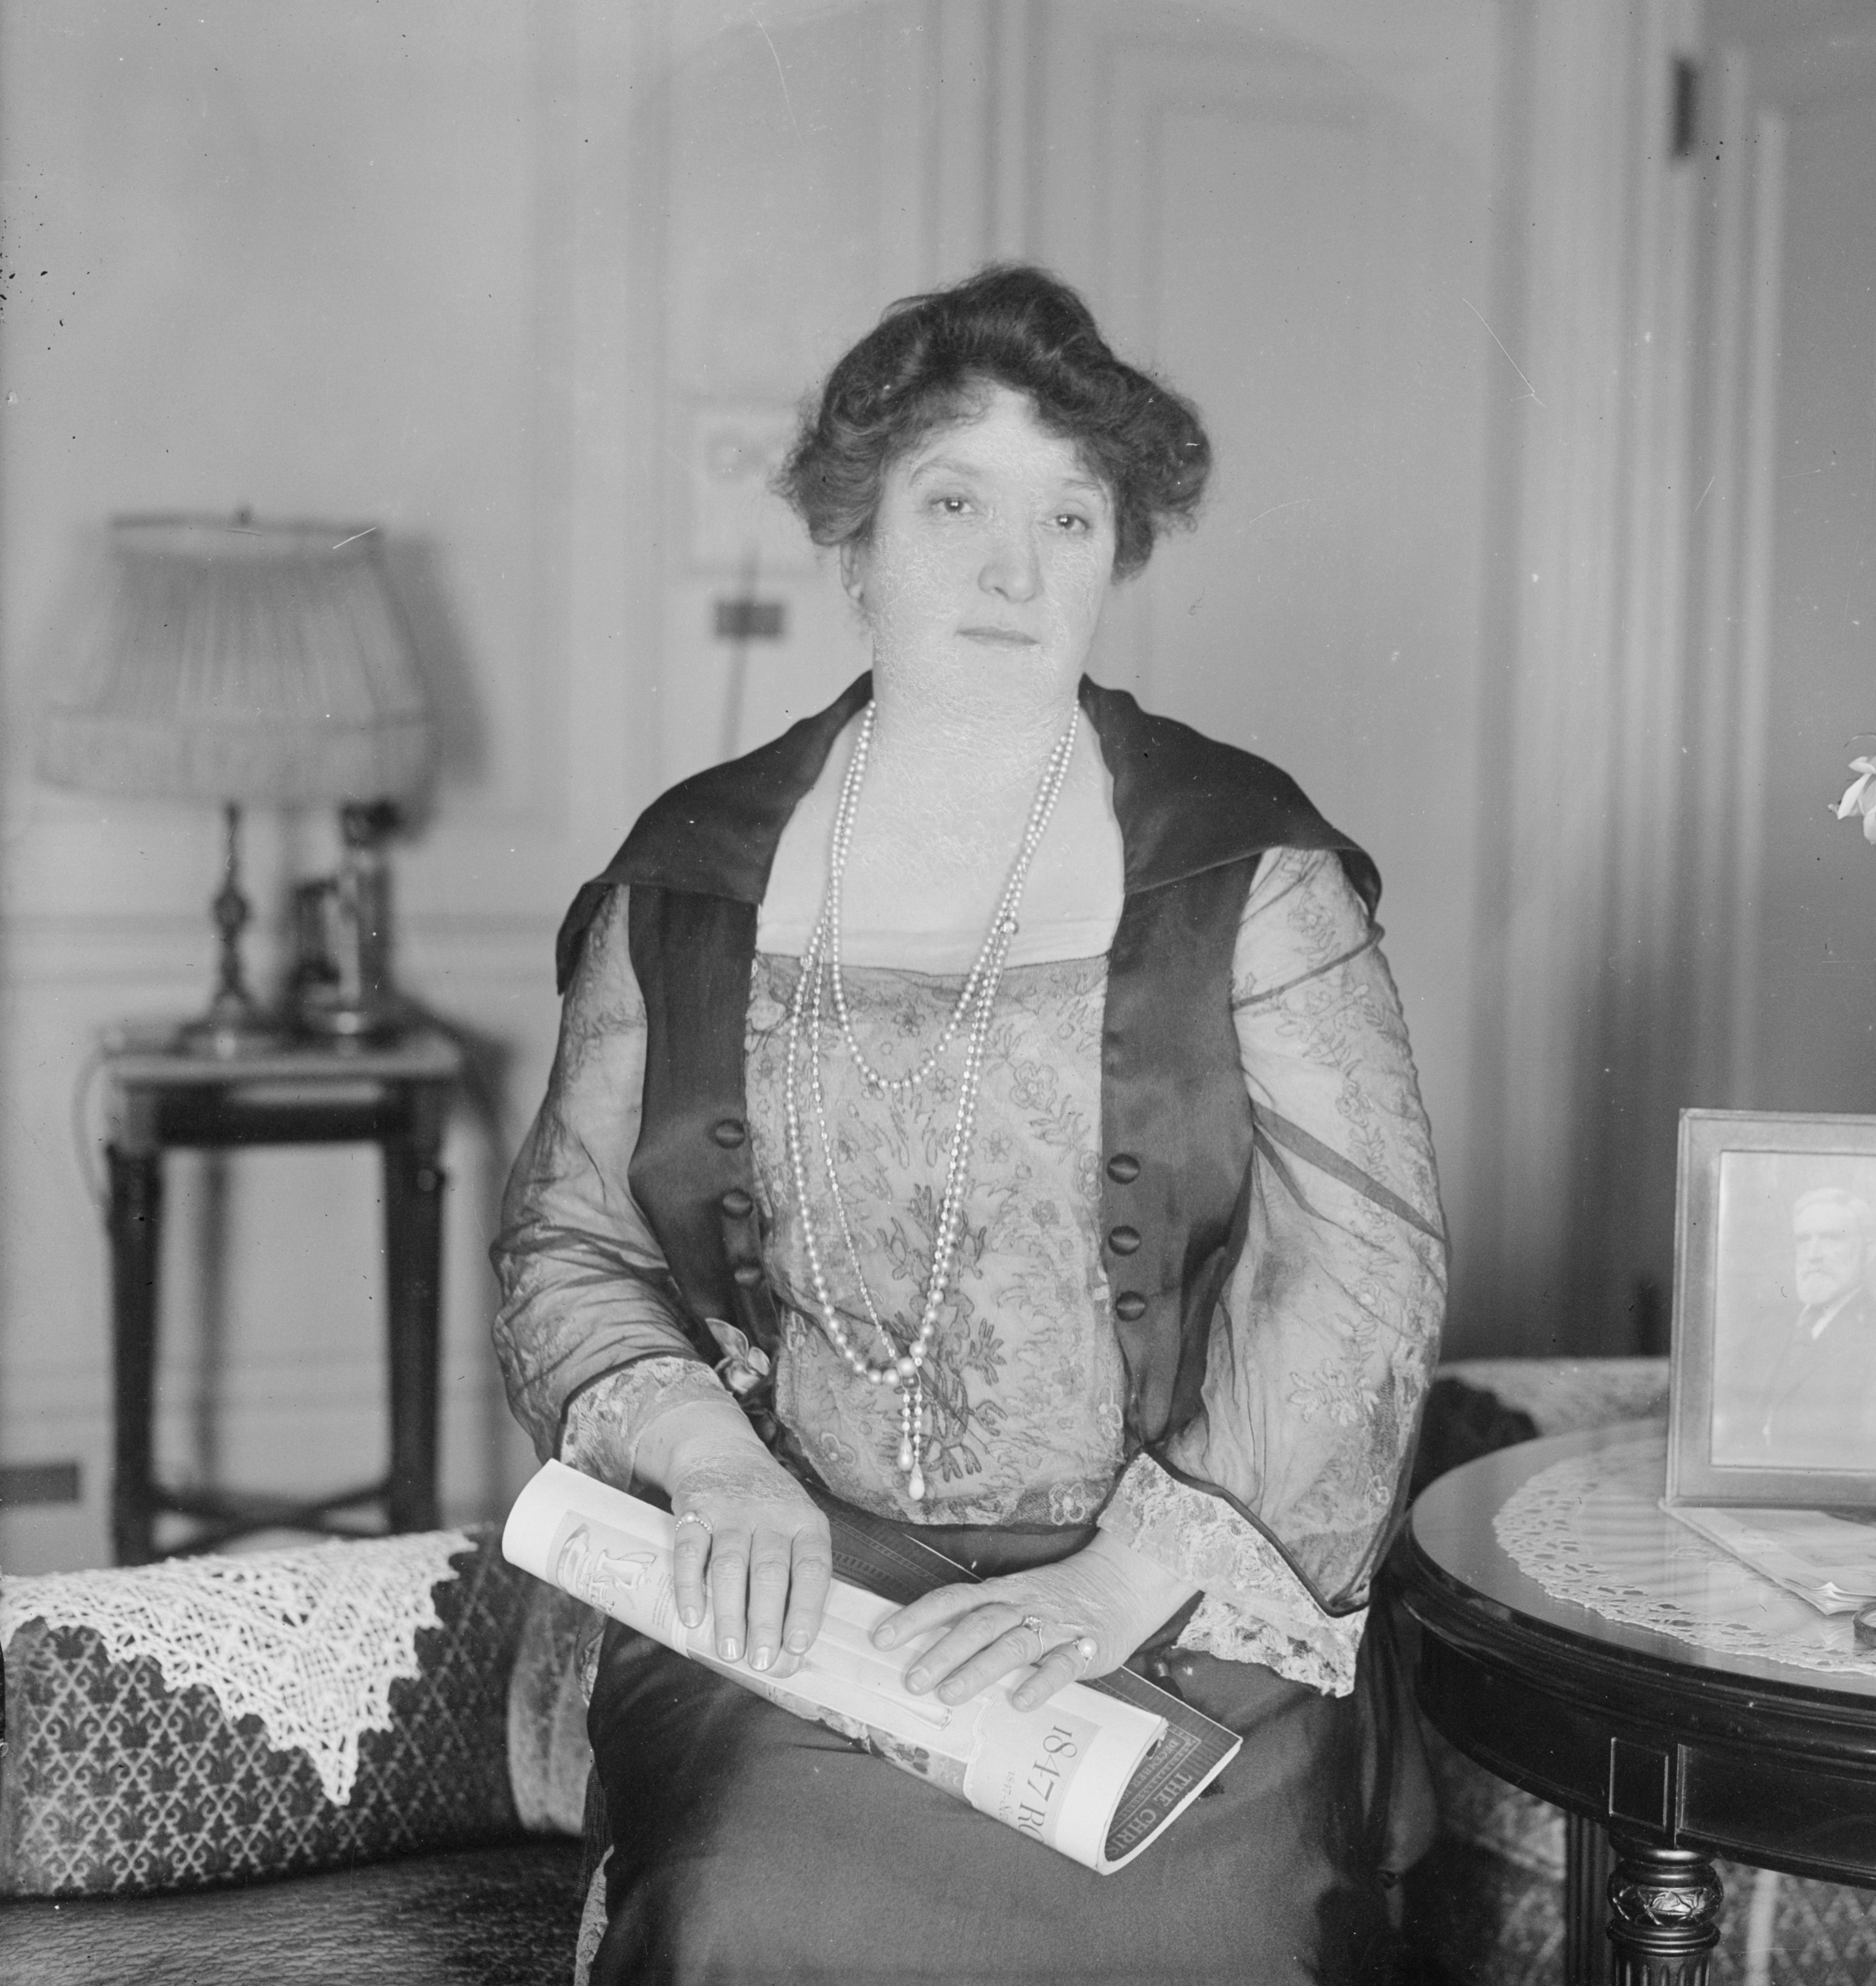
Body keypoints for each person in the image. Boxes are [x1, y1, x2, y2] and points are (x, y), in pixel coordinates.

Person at [491, 265, 1445, 1985]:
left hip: (1172, 1585)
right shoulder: (689, 875)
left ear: (1114, 553)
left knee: (1213, 1924)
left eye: (1067, 518)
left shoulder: (1247, 867)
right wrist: (715, 1471)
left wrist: (1113, 1585)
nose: (1014, 571)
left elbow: (1362, 1276)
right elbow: (570, 1239)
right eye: (955, 503)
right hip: (797, 1588)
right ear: (853, 536)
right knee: (757, 1908)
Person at [1717, 1188, 1876, 1470]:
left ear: (1869, 1250)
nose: (1813, 1255)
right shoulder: (1768, 1330)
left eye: (1831, 1238)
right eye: (1803, 1240)